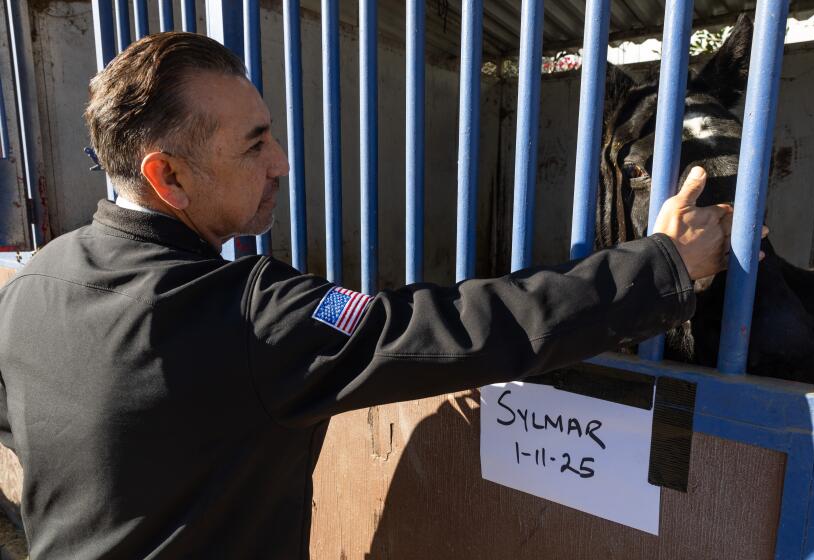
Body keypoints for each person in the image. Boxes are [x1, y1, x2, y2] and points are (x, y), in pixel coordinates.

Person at [0, 32, 739, 559]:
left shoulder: (35, 284)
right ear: (169, 178)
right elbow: (451, 328)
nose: (281, 162)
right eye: (255, 144)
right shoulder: (248, 314)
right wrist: (662, 267)